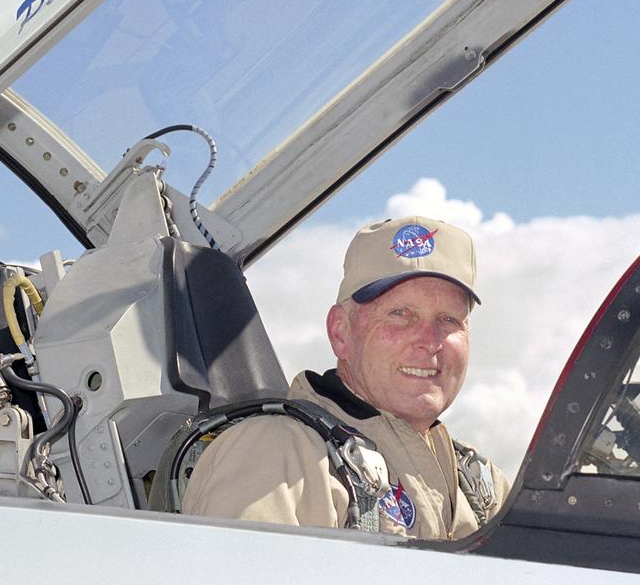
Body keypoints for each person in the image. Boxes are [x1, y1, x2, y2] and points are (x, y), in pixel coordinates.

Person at [181, 216, 511, 538]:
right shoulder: (274, 455)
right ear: (340, 332)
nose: (429, 340)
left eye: (449, 320)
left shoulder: (482, 487)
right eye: (400, 315)